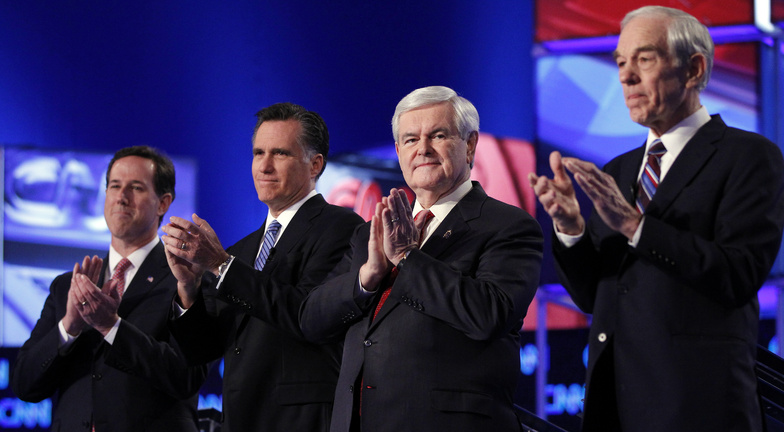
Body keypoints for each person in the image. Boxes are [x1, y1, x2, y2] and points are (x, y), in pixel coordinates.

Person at [529, 6, 784, 432]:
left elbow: (738, 274)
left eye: (644, 60)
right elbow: (596, 297)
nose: (626, 77)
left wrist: (634, 226)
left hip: (697, 406)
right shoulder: (619, 171)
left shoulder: (749, 157)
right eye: (621, 63)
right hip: (613, 405)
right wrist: (571, 228)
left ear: (693, 68)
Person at [300, 86, 543, 432]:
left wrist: (408, 258)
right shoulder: (370, 234)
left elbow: (489, 314)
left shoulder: (509, 226)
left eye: (438, 135)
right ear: (398, 151)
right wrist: (367, 278)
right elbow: (312, 319)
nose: (423, 149)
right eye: (411, 139)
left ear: (470, 144)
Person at [161, 102, 364, 432]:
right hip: (240, 418)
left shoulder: (342, 228)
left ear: (315, 165)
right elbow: (202, 350)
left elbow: (306, 314)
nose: (264, 166)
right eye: (258, 153)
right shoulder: (239, 250)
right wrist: (188, 288)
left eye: (280, 153)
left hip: (300, 421)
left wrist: (219, 264)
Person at [11, 146, 207, 432]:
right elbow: (24, 385)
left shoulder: (187, 280)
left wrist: (111, 326)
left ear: (163, 203)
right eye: (114, 186)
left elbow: (186, 376)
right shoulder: (68, 286)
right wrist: (69, 327)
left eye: (136, 187)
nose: (121, 197)